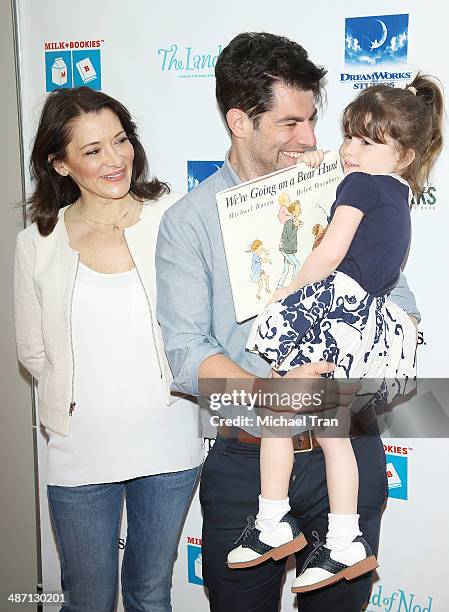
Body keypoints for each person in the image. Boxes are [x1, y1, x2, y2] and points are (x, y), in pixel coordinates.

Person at [156, 33, 420, 612]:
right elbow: (184, 352)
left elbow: (401, 316)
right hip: (243, 461)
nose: (309, 139)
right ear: (239, 122)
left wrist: (346, 377)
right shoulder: (189, 222)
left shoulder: (355, 192)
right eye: (288, 123)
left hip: (347, 455)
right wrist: (276, 401)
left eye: (312, 120)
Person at [228, 76, 443, 592]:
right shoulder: (395, 191)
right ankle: (345, 538)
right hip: (363, 323)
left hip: (330, 307)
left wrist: (286, 293)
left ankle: (272, 519)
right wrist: (316, 164)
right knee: (333, 433)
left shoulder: (359, 184)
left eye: (368, 142)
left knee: (278, 411)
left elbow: (329, 250)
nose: (349, 149)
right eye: (349, 135)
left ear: (405, 154)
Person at [14, 86, 203, 612]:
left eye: (120, 141)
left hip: (170, 444)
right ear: (60, 163)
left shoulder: (173, 219)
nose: (115, 159)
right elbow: (33, 351)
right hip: (81, 453)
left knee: (150, 594)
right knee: (89, 600)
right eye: (92, 150)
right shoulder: (37, 243)